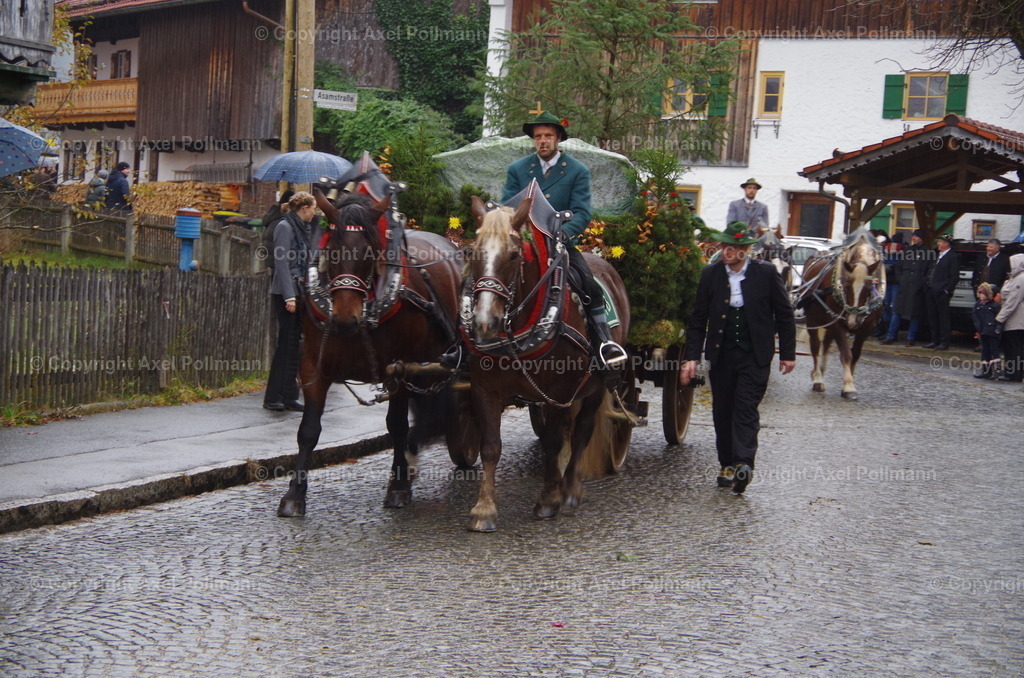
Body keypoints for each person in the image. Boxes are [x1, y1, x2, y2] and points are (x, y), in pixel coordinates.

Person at [680, 221, 796, 494]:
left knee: (745, 407)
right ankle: (726, 465)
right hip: (721, 355)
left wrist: (788, 354)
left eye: (732, 247)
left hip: (755, 355)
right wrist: (691, 358)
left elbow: (784, 314)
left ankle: (744, 463)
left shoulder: (765, 274)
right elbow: (698, 320)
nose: (726, 251)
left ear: (745, 250)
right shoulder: (711, 275)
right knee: (722, 410)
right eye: (723, 246)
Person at [503, 111, 626, 367]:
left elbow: (581, 212)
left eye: (548, 135)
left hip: (562, 246)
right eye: (538, 137)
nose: (543, 141)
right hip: (525, 245)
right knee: (490, 278)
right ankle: (474, 342)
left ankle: (604, 342)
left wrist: (564, 234)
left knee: (589, 286)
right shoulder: (517, 169)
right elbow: (508, 207)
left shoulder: (576, 171)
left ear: (558, 138)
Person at [264, 191, 318, 412]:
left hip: (299, 291)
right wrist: (289, 297)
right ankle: (272, 396)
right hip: (286, 294)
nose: (315, 213)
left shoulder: (302, 228)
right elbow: (282, 264)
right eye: (313, 208)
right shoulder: (285, 227)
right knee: (285, 345)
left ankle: (289, 395)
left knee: (296, 345)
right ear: (304, 208)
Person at [893, 230, 930, 346]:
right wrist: (901, 279)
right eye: (913, 236)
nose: (914, 238)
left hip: (917, 286)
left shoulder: (927, 252)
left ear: (922, 238)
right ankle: (891, 335)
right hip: (905, 284)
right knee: (897, 311)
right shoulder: (907, 250)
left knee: (915, 314)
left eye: (917, 236)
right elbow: (898, 267)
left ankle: (911, 338)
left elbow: (929, 271)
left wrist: (922, 282)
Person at [924, 234, 960, 350]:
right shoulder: (937, 255)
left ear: (946, 243)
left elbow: (954, 276)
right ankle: (934, 340)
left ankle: (944, 342)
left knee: (943, 318)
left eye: (940, 241)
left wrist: (946, 290)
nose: (938, 243)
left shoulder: (952, 257)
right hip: (931, 290)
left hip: (942, 292)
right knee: (932, 317)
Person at [995, 253, 1024, 383]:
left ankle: (1014, 374)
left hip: (1016, 319)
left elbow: (1012, 301)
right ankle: (1013, 372)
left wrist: (1000, 318)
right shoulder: (1014, 278)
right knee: (1013, 347)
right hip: (1013, 318)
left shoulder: (1020, 278)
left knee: (1014, 348)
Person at [972, 283, 1002, 379]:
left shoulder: (995, 305)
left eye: (983, 293)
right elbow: (975, 318)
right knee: (985, 350)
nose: (981, 295)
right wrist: (978, 329)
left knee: (994, 351)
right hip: (983, 331)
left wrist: (998, 329)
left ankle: (996, 371)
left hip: (992, 331)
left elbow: (999, 319)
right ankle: (986, 370)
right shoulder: (977, 305)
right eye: (980, 293)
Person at [879, 232, 905, 344]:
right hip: (895, 283)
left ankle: (889, 334)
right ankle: (891, 334)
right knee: (893, 310)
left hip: (888, 282)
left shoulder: (885, 251)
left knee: (888, 309)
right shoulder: (904, 251)